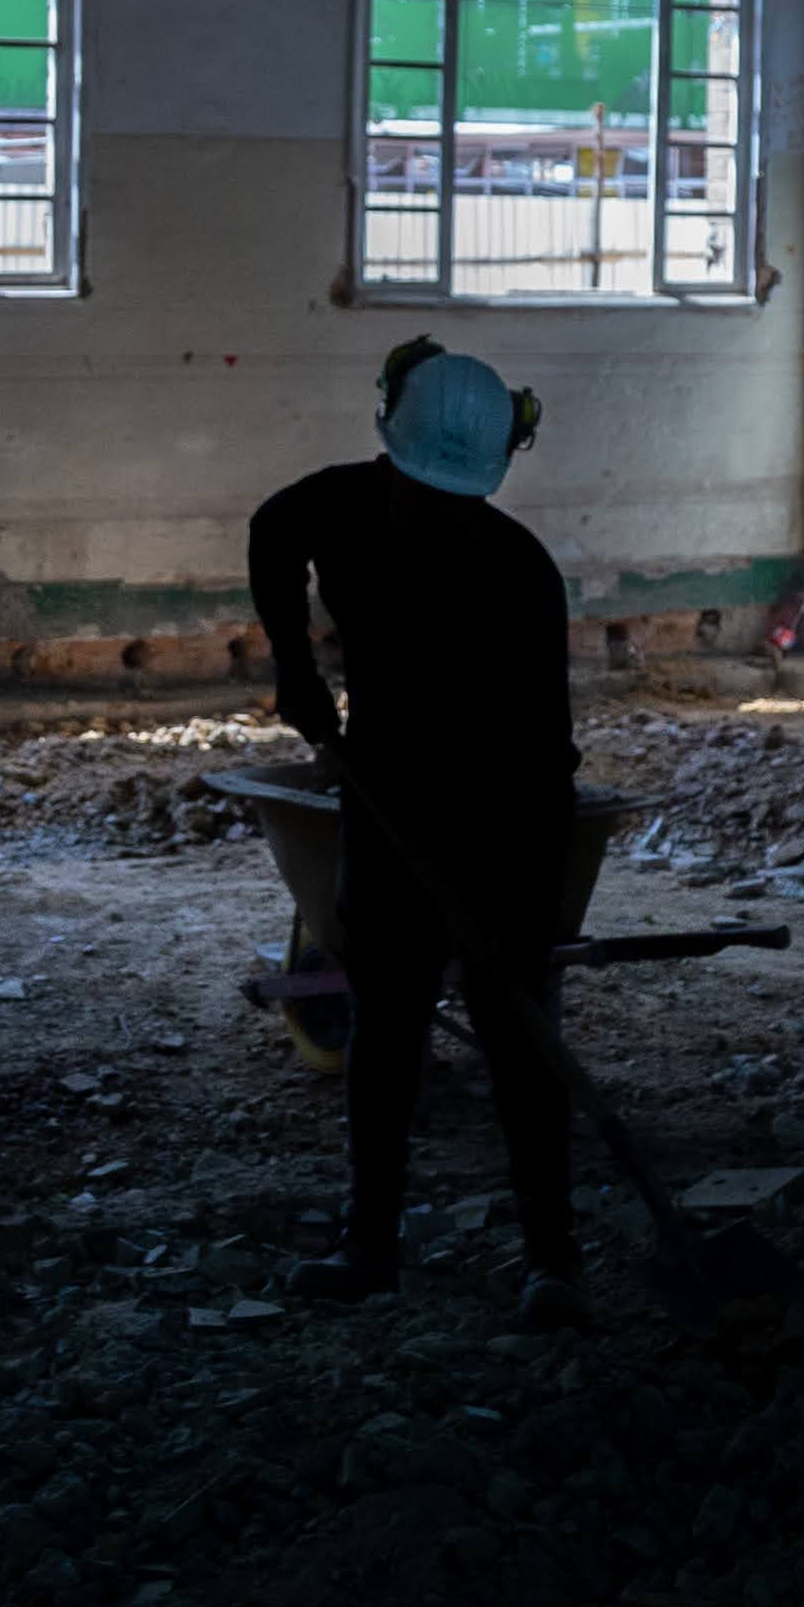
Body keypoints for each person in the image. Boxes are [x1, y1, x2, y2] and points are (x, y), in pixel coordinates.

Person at [245, 338, 587, 1323]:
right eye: (415, 487)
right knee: (385, 1025)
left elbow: (543, 762)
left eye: (454, 499)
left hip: (500, 814)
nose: (429, 511)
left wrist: (510, 904)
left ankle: (551, 1257)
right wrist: (294, 667)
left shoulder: (520, 578)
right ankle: (369, 1242)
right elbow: (274, 531)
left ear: (483, 490)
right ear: (388, 454)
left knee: (515, 1030)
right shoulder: (342, 506)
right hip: (384, 795)